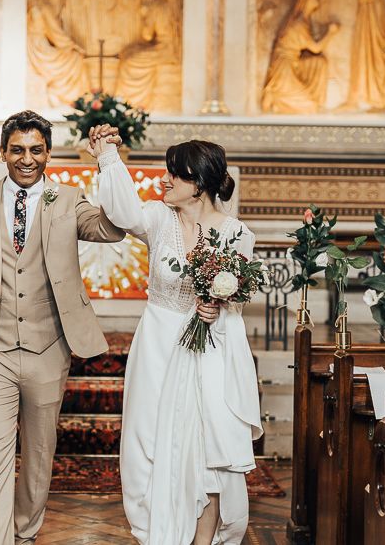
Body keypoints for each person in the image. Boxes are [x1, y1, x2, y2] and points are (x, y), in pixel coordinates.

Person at [0, 110, 129, 545]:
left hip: (49, 350)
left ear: (49, 152)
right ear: (3, 152)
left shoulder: (68, 200)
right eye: (18, 150)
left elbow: (114, 228)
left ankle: (25, 533)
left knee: (40, 456)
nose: (27, 159)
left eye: (36, 150)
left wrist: (109, 162)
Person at [91, 127, 263, 544]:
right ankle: (158, 531)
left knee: (210, 441)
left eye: (175, 175)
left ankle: (203, 538)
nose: (164, 180)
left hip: (212, 349)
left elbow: (235, 299)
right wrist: (108, 157)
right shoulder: (156, 218)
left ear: (200, 183)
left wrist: (217, 307)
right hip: (158, 343)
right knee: (147, 437)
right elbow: (122, 211)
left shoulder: (238, 234)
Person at [261, 0, 339, 114]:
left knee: (319, 62)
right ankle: (275, 97)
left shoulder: (302, 22)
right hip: (284, 67)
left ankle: (278, 95)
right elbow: (316, 48)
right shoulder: (298, 25)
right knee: (309, 107)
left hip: (293, 62)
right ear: (306, 0)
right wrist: (331, 32)